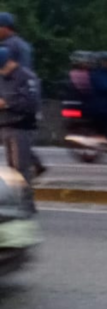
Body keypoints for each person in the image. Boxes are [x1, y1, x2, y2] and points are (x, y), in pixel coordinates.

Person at [0, 12, 44, 177]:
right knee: (19, 143)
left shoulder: (8, 46)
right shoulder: (23, 44)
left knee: (16, 149)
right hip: (25, 96)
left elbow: (9, 73)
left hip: (14, 102)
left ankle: (22, 193)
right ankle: (34, 164)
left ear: (5, 28)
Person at [0, 47, 41, 214]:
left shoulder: (26, 78)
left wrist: (7, 103)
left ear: (11, 62)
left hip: (21, 127)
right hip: (5, 126)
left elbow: (31, 104)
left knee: (21, 167)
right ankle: (16, 203)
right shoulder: (2, 78)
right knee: (12, 168)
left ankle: (26, 204)